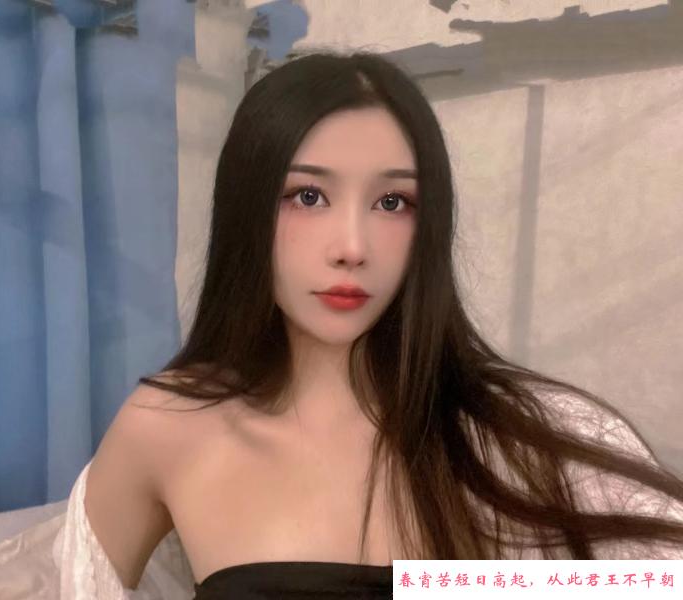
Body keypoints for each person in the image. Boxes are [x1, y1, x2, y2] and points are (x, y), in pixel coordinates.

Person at [59, 50, 683, 599]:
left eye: (392, 202)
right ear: (246, 210)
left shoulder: (522, 440)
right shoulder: (167, 427)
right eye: (308, 196)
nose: (353, 247)